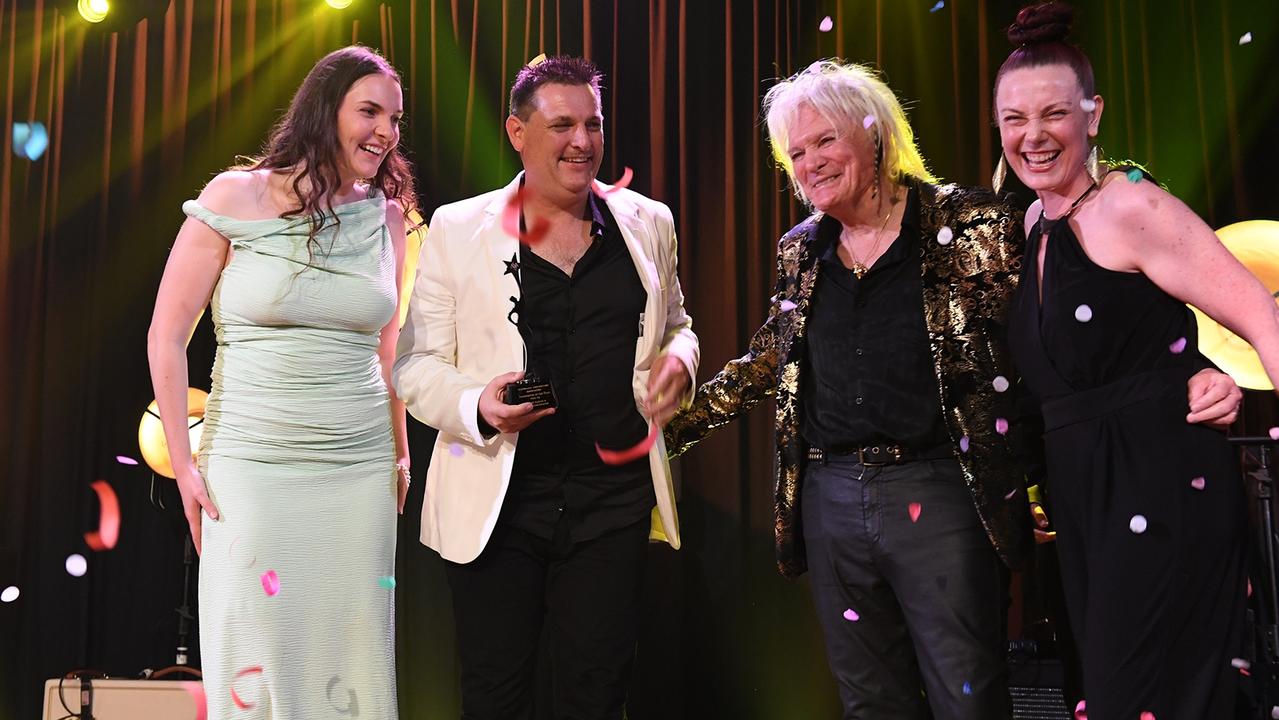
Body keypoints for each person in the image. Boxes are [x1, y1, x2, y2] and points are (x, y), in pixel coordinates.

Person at [664, 59, 1242, 720]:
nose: (811, 162)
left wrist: (1189, 361)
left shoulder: (975, 224)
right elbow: (770, 355)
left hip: (941, 491)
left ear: (874, 134)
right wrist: (669, 427)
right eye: (795, 152)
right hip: (830, 501)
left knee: (966, 698)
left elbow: (1080, 307)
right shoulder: (800, 249)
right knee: (869, 702)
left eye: (825, 141)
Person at [994, 3, 1279, 717]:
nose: (1031, 137)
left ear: (1092, 116)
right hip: (1085, 498)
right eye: (1012, 120)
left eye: (1053, 114)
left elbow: (1258, 311)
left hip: (1160, 480)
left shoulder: (1129, 206)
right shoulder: (1033, 224)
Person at [393, 55, 697, 720]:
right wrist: (478, 404)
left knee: (597, 692)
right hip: (498, 505)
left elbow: (678, 325)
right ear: (516, 132)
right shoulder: (456, 228)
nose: (582, 141)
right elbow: (413, 367)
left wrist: (680, 362)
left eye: (593, 124)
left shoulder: (649, 222)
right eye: (561, 124)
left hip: (610, 503)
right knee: (495, 696)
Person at [147, 45, 413, 719]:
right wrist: (184, 465)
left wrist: (401, 451)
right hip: (251, 464)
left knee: (351, 656)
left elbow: (390, 351)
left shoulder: (386, 218)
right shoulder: (234, 197)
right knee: (256, 653)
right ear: (325, 111)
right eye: (369, 111)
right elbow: (167, 336)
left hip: (357, 470)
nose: (385, 131)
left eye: (395, 118)